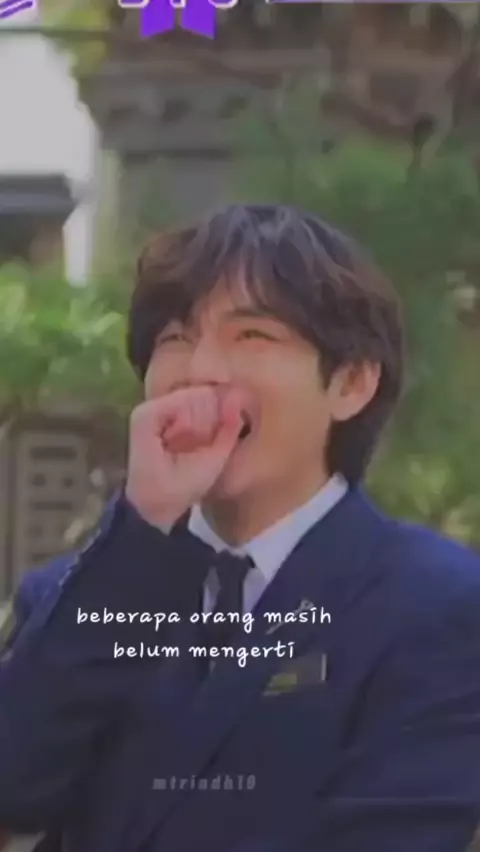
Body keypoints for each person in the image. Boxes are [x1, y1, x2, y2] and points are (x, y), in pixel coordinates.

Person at [0, 203, 480, 852]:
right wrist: (142, 525)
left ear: (352, 383)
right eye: (176, 337)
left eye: (253, 336)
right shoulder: (73, 598)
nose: (202, 370)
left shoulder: (439, 605)